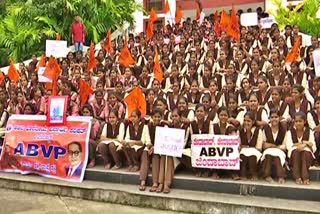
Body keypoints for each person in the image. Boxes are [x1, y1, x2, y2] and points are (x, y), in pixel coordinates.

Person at [286, 112, 317, 185]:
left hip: (307, 156)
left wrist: (304, 145)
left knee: (304, 153)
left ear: (305, 121)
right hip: (294, 156)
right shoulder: (290, 132)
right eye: (296, 121)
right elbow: (289, 145)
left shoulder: (309, 131)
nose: (298, 123)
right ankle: (298, 177)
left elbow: (313, 146)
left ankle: (304, 176)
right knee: (297, 151)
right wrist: (305, 143)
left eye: (300, 121)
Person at [261, 109, 287, 184]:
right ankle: (267, 175)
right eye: (272, 117)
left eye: (276, 117)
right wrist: (273, 146)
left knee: (277, 156)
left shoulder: (283, 129)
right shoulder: (266, 128)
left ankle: (281, 176)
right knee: (269, 154)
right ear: (269, 118)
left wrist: (275, 147)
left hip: (280, 150)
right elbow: (264, 144)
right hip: (268, 150)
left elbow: (285, 145)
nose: (274, 119)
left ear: (279, 118)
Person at [238, 111, 263, 180]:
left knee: (252, 156)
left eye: (248, 121)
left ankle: (254, 174)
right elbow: (239, 146)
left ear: (253, 121)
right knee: (243, 155)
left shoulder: (258, 131)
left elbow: (259, 148)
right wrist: (245, 148)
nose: (246, 123)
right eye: (245, 121)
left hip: (255, 153)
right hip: (243, 152)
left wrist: (247, 147)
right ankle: (243, 174)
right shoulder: (240, 130)